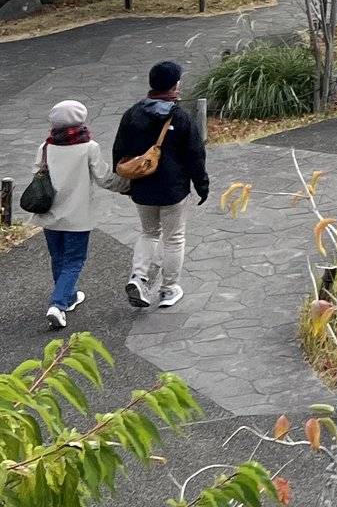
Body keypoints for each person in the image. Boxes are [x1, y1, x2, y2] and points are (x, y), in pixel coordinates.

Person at [114, 58, 209, 309]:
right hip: (173, 188)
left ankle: (138, 277)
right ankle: (168, 289)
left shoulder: (132, 113)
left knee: (148, 233)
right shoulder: (180, 117)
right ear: (175, 86)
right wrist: (202, 185)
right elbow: (195, 155)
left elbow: (119, 151)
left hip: (142, 186)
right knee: (174, 238)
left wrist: (127, 182)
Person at [34, 98, 121, 330]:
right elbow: (103, 178)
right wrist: (127, 184)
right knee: (74, 261)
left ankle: (69, 297)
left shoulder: (45, 147)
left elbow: (37, 173)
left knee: (59, 258)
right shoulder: (88, 147)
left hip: (50, 215)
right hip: (78, 216)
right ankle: (58, 304)